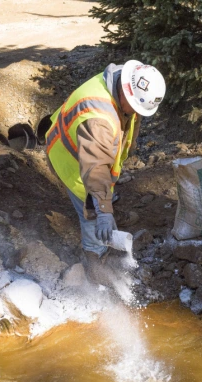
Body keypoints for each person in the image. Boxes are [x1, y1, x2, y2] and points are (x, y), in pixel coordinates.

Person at [45, 60, 166, 280]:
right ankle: (96, 265)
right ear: (126, 95)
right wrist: (102, 210)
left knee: (101, 198)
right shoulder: (99, 118)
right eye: (135, 108)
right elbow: (95, 167)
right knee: (91, 213)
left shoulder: (127, 80)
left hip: (91, 154)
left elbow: (128, 123)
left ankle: (104, 211)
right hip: (71, 160)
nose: (135, 113)